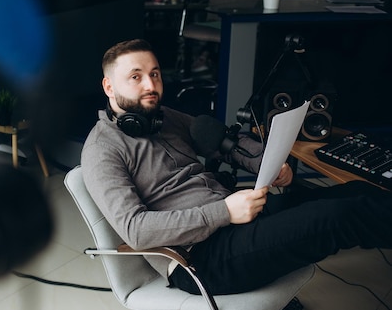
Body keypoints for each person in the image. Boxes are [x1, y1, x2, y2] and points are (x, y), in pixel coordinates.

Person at [81, 38, 392, 296]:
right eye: (136, 77)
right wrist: (224, 212)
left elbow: (225, 142)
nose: (151, 85)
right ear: (109, 87)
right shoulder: (102, 150)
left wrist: (266, 163)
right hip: (200, 258)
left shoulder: (166, 117)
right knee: (337, 218)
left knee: (353, 193)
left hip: (236, 221)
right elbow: (136, 230)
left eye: (156, 74)